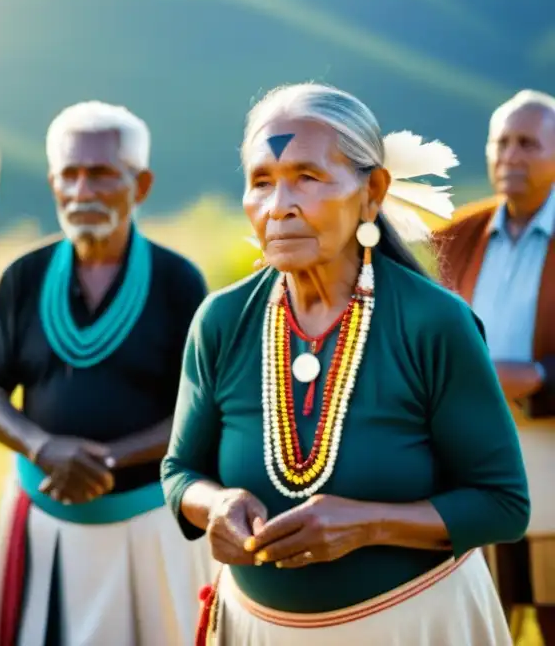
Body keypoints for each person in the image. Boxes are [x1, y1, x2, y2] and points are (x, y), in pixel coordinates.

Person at [162, 82, 530, 645]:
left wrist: (369, 523)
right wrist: (217, 503)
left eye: (306, 177)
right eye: (261, 181)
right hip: (257, 631)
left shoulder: (433, 323)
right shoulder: (222, 321)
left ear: (372, 192)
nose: (279, 204)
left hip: (417, 628)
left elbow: (502, 505)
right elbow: (179, 472)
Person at [0, 101, 213, 645]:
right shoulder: (24, 277)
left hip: (151, 527)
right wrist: (42, 448)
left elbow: (202, 412)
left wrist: (105, 460)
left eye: (102, 173)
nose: (82, 190)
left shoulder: (179, 283)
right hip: (41, 522)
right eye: (69, 174)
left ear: (142, 184)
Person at [432, 89, 555, 640]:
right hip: (477, 464)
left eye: (527, 143)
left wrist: (541, 378)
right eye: (501, 142)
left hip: (551, 455)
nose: (510, 156)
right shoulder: (457, 233)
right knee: (482, 618)